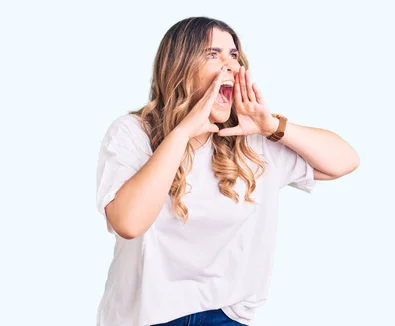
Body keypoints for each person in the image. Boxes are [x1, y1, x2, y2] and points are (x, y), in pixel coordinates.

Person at [95, 16, 359, 326]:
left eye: (233, 55)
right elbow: (128, 222)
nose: (231, 66)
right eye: (213, 54)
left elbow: (344, 161)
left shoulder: (251, 139)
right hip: (143, 317)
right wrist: (181, 134)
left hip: (226, 316)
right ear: (180, 66)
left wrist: (272, 126)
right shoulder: (132, 133)